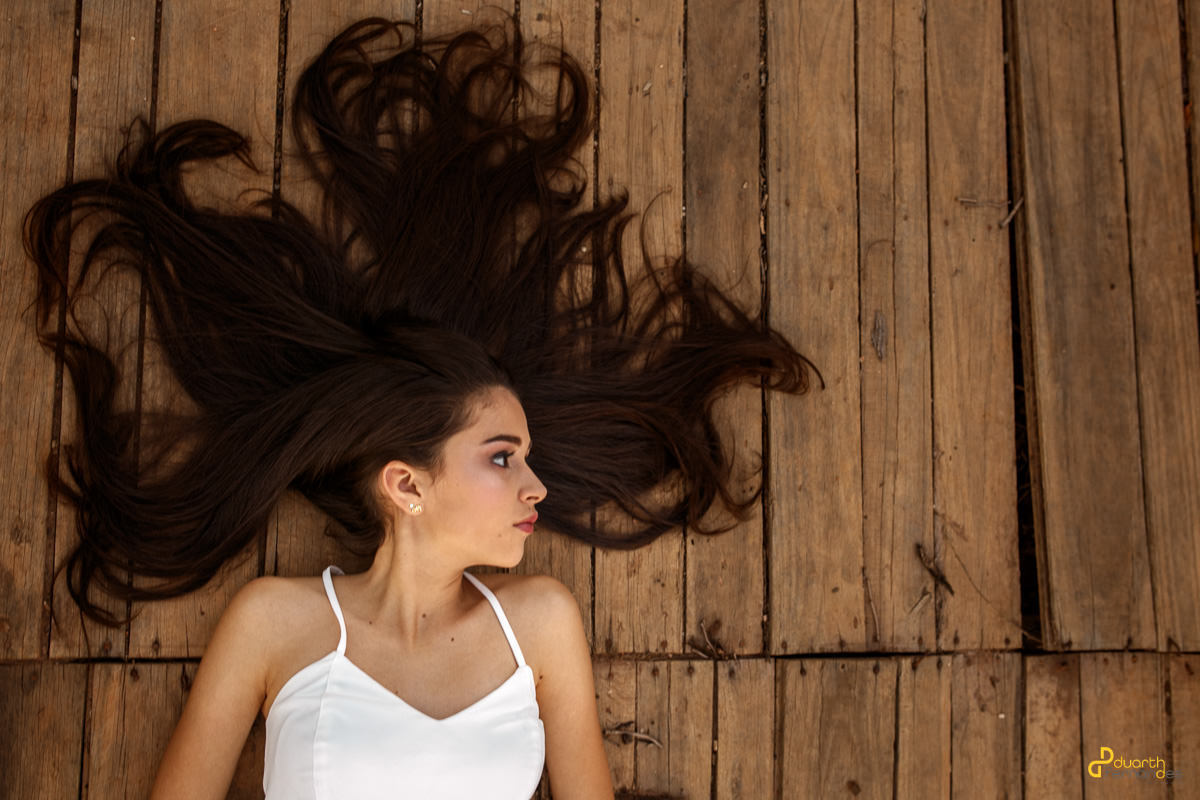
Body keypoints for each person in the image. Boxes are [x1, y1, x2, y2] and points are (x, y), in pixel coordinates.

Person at [24, 14, 821, 799]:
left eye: (523, 459)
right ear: (406, 485)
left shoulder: (540, 624)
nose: (536, 485)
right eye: (503, 457)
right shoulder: (273, 623)